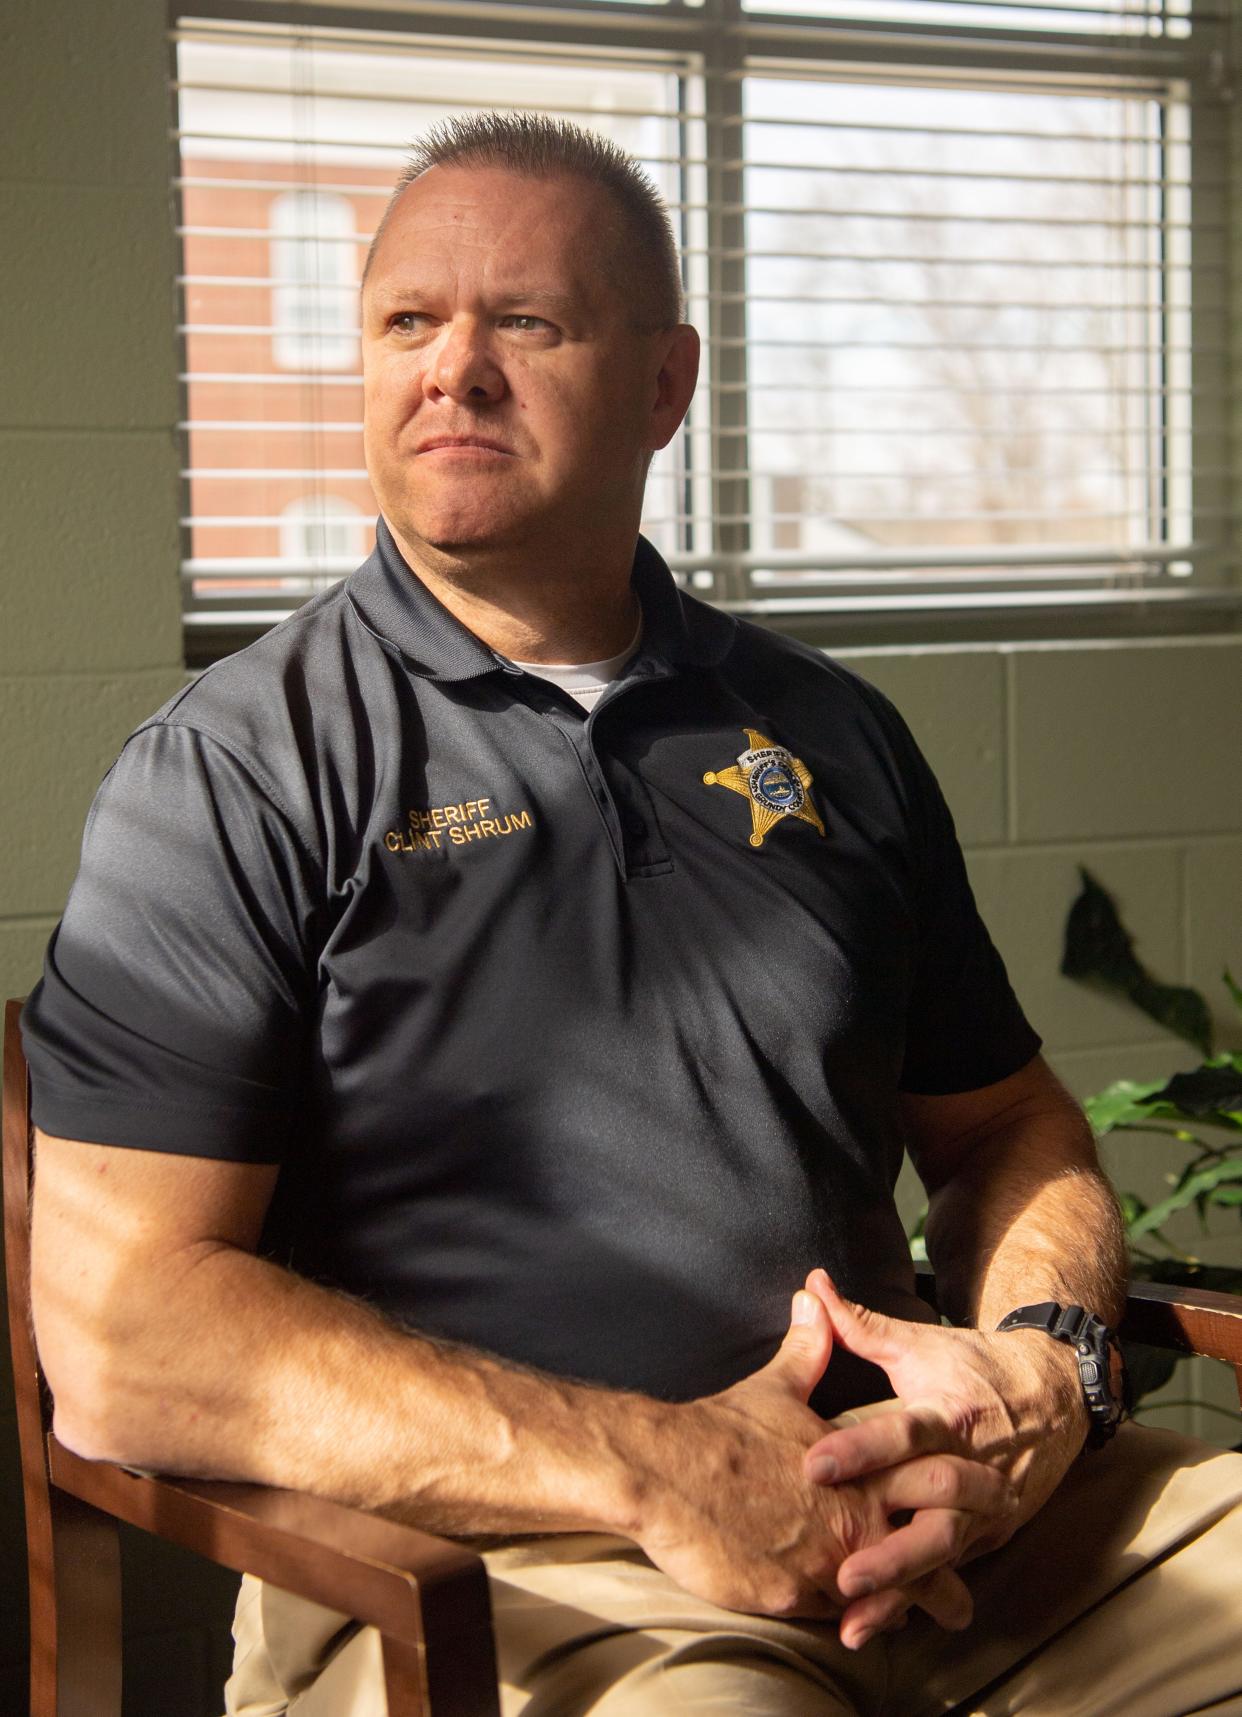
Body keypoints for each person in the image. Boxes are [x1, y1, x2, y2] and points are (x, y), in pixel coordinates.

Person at [22, 114, 1242, 1717]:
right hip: (517, 1556)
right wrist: (662, 1467)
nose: (451, 368)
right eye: (406, 321)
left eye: (523, 321)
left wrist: (1039, 1371)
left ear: (665, 387)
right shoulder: (237, 773)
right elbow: (127, 1334)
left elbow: (1005, 1121)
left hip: (928, 1509)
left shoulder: (830, 731)